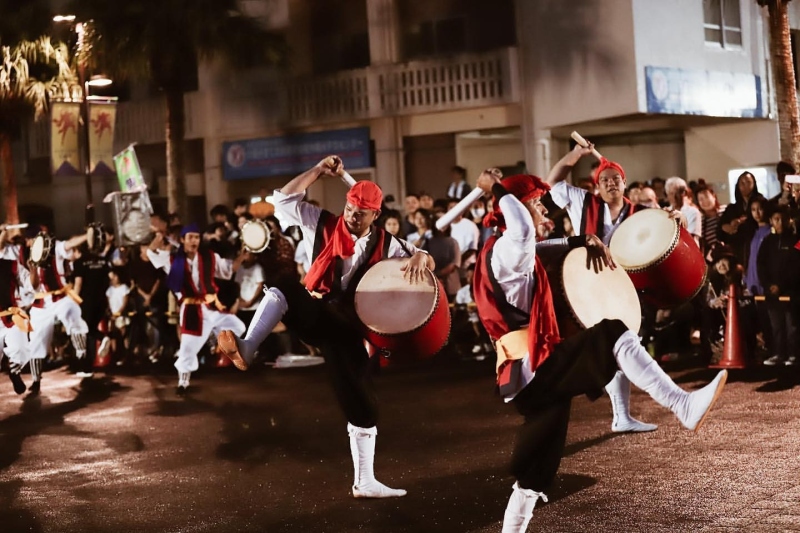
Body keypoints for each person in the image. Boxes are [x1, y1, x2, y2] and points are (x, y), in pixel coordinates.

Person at [471, 170, 727, 532]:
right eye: (537, 205)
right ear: (519, 207)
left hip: (524, 375)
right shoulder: (513, 244)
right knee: (612, 333)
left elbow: (539, 245)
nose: (545, 213)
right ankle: (681, 404)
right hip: (535, 366)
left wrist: (579, 240)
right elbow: (526, 233)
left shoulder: (499, 249)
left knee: (537, 470)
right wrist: (495, 189)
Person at [217, 156, 433, 499]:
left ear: (376, 216)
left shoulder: (389, 244)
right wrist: (318, 170)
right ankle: (247, 347)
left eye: (361, 212)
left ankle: (365, 482)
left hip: (349, 329)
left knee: (362, 406)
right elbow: (283, 198)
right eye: (349, 207)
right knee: (286, 285)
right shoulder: (319, 221)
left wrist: (421, 255)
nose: (351, 215)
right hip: (317, 311)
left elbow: (424, 257)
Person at [545, 144, 658, 433]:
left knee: (619, 345)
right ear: (597, 186)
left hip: (622, 288)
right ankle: (621, 414)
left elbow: (663, 227)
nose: (610, 183)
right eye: (604, 179)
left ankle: (622, 416)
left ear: (624, 182)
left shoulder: (639, 212)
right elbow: (553, 180)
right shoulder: (581, 201)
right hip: (585, 285)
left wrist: (675, 217)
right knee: (609, 347)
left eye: (615, 179)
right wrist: (577, 154)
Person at [147, 223, 247, 393]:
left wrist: (242, 257)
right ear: (182, 240)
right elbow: (150, 252)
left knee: (239, 327)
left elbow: (228, 270)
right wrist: (159, 236)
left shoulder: (209, 257)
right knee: (187, 348)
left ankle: (215, 341)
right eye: (190, 237)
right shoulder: (171, 260)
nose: (194, 241)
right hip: (192, 310)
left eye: (197, 237)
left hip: (211, 306)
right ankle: (183, 383)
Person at [26, 227, 90, 394]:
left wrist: (87, 235)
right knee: (36, 339)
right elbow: (34, 286)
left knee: (73, 316)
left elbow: (70, 244)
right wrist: (32, 269)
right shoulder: (30, 256)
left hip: (61, 296)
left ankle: (81, 354)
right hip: (42, 300)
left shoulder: (56, 247)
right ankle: (36, 380)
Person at [757, 207, 800, 366]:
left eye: (783, 219)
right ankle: (778, 354)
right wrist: (769, 285)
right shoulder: (767, 242)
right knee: (776, 326)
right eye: (776, 219)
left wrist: (782, 285)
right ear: (771, 221)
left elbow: (797, 265)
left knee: (792, 326)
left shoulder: (797, 240)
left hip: (792, 292)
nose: (779, 222)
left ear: (789, 220)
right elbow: (760, 265)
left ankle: (794, 355)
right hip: (772, 293)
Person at [72, 242, 111, 378]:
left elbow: (78, 283)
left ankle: (87, 367)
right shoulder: (102, 261)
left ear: (78, 250)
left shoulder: (79, 263)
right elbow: (108, 280)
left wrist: (73, 302)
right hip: (101, 301)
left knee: (86, 333)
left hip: (85, 302)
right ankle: (102, 337)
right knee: (91, 331)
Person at [0, 257, 33, 394]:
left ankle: (14, 371)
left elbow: (31, 284)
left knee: (21, 349)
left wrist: (34, 269)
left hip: (11, 315)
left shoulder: (10, 265)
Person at [718, 171, 765, 267]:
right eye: (742, 183)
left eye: (748, 182)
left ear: (754, 184)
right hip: (737, 251)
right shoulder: (732, 208)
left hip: (757, 247)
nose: (745, 186)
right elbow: (720, 228)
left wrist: (742, 223)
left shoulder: (762, 203)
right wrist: (727, 227)